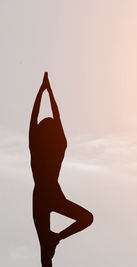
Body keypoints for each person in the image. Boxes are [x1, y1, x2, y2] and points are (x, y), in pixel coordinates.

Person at [29, 72, 93, 267]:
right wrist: (50, 93)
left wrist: (42, 91)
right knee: (86, 218)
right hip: (54, 196)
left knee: (45, 257)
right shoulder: (58, 148)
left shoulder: (36, 146)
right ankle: (56, 238)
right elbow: (57, 118)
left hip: (40, 196)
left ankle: (53, 239)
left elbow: (33, 119)